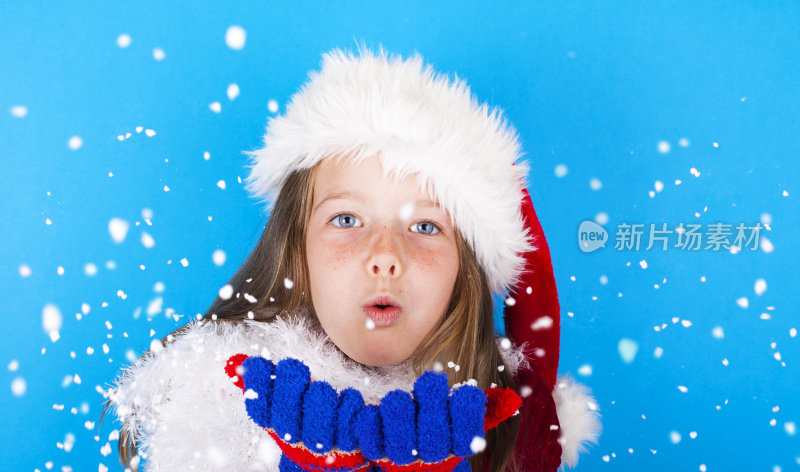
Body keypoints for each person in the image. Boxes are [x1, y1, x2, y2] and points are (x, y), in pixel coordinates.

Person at [103, 45, 601, 472]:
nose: (385, 256)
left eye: (424, 227)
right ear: (298, 252)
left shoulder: (503, 427)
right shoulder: (218, 410)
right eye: (346, 220)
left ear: (463, 275)